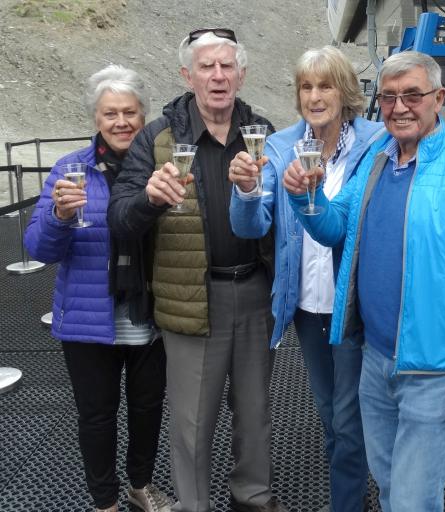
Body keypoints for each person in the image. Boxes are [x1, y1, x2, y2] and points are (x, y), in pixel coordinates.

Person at [283, 51, 445, 512]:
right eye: (389, 97)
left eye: (412, 94)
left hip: (435, 370)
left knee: (413, 500)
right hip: (375, 362)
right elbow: (336, 228)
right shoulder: (376, 157)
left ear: (439, 98)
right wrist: (306, 198)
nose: (400, 106)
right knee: (391, 488)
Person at [107, 29, 286, 512]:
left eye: (227, 66)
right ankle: (195, 506)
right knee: (192, 423)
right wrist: (148, 198)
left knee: (254, 414)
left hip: (254, 291)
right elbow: (119, 218)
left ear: (242, 74)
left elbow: (285, 216)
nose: (218, 75)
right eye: (206, 66)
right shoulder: (158, 137)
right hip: (189, 297)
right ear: (187, 75)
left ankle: (252, 498)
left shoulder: (265, 132)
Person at [228, 46, 384, 512]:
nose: (315, 96)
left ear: (346, 91)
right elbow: (251, 227)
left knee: (347, 417)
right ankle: (352, 496)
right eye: (306, 86)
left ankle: (348, 502)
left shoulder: (376, 142)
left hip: (355, 305)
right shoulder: (280, 147)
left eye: (326, 85)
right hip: (308, 308)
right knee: (330, 415)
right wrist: (248, 190)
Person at [24, 65, 171, 512]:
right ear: (96, 118)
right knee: (97, 415)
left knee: (147, 409)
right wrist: (60, 219)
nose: (122, 122)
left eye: (130, 112)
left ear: (144, 116)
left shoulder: (163, 168)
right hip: (90, 318)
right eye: (111, 113)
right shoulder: (71, 169)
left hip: (149, 313)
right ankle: (104, 501)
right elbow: (38, 247)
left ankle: (140, 486)